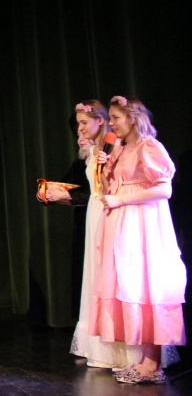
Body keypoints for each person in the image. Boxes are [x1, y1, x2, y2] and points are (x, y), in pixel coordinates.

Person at [39, 102, 142, 369]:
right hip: (93, 215)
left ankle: (123, 347)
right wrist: (56, 193)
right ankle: (100, 345)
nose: (80, 129)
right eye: (79, 124)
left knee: (111, 275)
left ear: (101, 121)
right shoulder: (92, 151)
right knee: (95, 276)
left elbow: (110, 186)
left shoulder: (113, 147)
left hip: (108, 211)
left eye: (84, 123)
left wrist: (71, 195)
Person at [92, 96, 185, 384]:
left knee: (146, 283)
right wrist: (103, 169)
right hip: (121, 224)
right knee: (131, 284)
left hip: (142, 224)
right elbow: (106, 189)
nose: (111, 124)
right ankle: (145, 360)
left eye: (116, 118)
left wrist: (122, 199)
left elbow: (164, 190)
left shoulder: (149, 147)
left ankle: (152, 364)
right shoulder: (119, 149)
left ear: (133, 118)